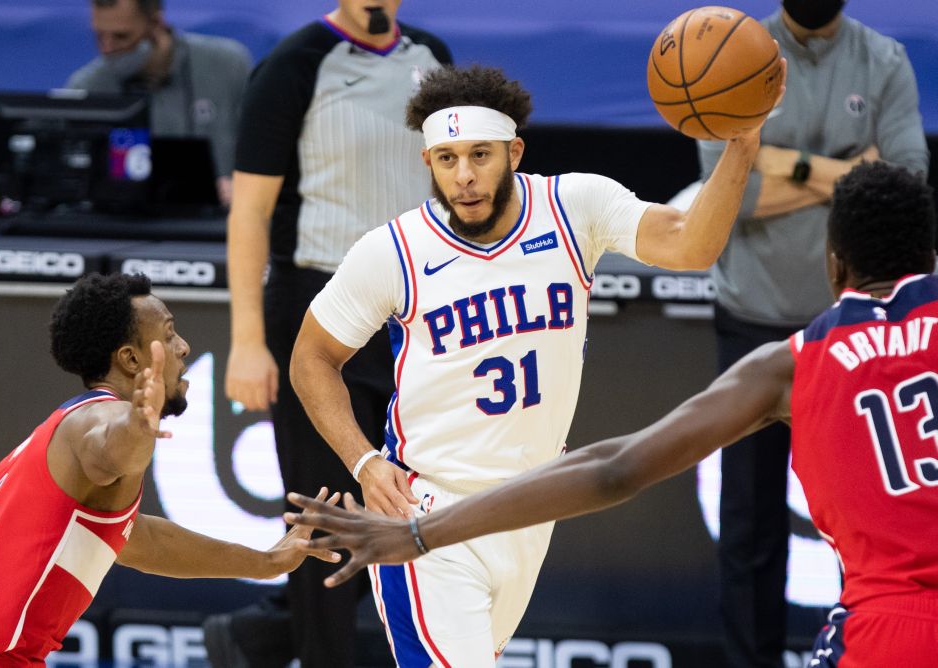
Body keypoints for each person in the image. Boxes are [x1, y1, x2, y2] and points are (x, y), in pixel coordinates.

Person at [288, 161, 938, 668]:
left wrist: (423, 533)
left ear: (834, 266)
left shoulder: (793, 363)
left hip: (891, 629)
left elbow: (614, 470)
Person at [286, 62, 782, 666]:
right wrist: (362, 461)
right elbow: (311, 357)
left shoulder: (574, 206)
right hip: (427, 514)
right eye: (447, 159)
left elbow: (692, 244)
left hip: (528, 505)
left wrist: (743, 143)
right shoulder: (394, 250)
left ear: (514, 150)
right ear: (427, 163)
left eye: (480, 155)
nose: (464, 177)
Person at [0, 272, 338, 667]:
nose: (183, 346)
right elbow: (111, 449)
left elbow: (140, 541)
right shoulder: (98, 421)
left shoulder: (62, 430)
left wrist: (267, 563)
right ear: (130, 359)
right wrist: (137, 426)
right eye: (168, 334)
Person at [217, 2, 452, 666]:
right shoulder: (295, 65)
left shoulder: (431, 57)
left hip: (417, 312)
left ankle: (256, 638)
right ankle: (296, 648)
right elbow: (251, 212)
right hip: (319, 312)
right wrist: (247, 337)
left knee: (415, 510)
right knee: (327, 520)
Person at [696, 2, 930, 664]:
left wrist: (776, 162)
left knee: (875, 521)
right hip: (756, 319)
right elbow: (729, 196)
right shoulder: (732, 54)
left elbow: (908, 182)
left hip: (862, 330)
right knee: (749, 524)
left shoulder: (881, 58)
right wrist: (845, 171)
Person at [66, 0, 252, 206]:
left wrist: (242, 187)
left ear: (156, 23)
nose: (107, 49)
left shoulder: (227, 65)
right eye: (99, 36)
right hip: (125, 223)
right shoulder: (87, 86)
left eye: (121, 37)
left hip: (219, 219)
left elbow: (266, 149)